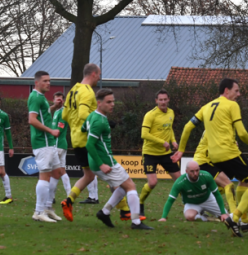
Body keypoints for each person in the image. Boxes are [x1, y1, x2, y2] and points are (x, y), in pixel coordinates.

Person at [173, 78, 248, 232]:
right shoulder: (232, 105)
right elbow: (241, 132)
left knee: (242, 182)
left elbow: (187, 127)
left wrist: (181, 150)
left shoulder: (206, 107)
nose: (238, 94)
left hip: (214, 158)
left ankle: (245, 219)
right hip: (230, 153)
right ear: (226, 91)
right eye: (236, 91)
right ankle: (234, 218)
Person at [83, 88, 152, 230]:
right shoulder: (99, 121)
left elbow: (84, 129)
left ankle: (105, 212)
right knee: (131, 186)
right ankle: (136, 222)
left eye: (113, 101)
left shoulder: (92, 116)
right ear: (99, 103)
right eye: (109, 102)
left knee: (122, 186)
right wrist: (101, 164)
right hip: (104, 161)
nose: (112, 104)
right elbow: (89, 144)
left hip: (96, 160)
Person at [60, 63, 101, 220]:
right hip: (88, 140)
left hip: (75, 140)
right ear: (93, 74)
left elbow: (64, 116)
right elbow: (84, 113)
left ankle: (68, 200)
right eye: (99, 74)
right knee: (111, 171)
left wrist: (75, 122)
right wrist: (98, 121)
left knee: (89, 176)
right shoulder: (87, 91)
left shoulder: (72, 91)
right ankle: (126, 210)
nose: (99, 78)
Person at [158, 161, 242, 237]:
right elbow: (170, 200)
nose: (195, 173)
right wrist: (163, 217)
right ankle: (205, 217)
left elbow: (217, 194)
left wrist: (223, 213)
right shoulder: (180, 182)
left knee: (226, 218)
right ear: (186, 171)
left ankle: (245, 221)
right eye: (192, 171)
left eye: (197, 170)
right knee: (189, 217)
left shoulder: (206, 176)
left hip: (208, 199)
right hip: (192, 203)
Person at [138, 89, 180, 217]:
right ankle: (140, 203)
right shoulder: (150, 115)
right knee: (152, 183)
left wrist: (173, 141)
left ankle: (194, 206)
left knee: (180, 181)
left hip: (166, 154)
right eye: (160, 100)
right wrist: (162, 142)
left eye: (165, 99)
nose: (162, 102)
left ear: (168, 100)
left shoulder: (171, 112)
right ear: (156, 101)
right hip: (150, 153)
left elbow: (169, 128)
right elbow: (144, 134)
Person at [28, 71, 62, 223]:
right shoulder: (35, 97)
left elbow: (44, 115)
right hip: (43, 142)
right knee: (45, 175)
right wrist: (51, 131)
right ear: (37, 82)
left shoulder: (41, 97)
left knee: (57, 173)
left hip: (49, 142)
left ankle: (47, 207)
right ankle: (38, 211)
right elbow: (32, 120)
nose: (48, 83)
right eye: (45, 81)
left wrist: (54, 106)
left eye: (49, 81)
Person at [50, 92, 74, 198]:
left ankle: (51, 197)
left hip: (58, 144)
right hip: (60, 145)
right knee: (62, 171)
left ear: (63, 101)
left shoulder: (63, 112)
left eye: (60, 99)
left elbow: (59, 130)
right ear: (53, 100)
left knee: (52, 171)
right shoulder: (56, 112)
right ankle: (69, 195)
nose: (58, 101)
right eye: (56, 99)